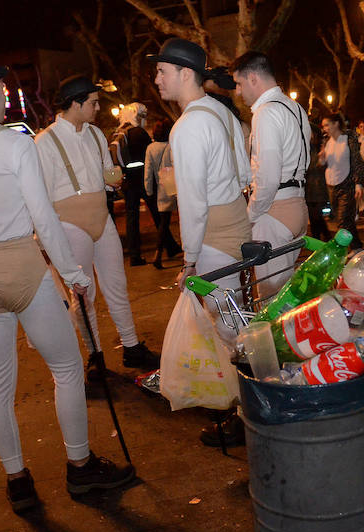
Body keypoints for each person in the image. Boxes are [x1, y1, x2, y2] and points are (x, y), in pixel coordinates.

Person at [0, 53, 133, 513]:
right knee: (68, 368)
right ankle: (80, 468)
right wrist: (73, 275)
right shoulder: (13, 143)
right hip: (21, 263)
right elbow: (45, 221)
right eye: (2, 90)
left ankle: (17, 480)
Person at [149, 38, 252, 448]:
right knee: (236, 322)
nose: (156, 79)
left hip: (212, 236)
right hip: (235, 224)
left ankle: (249, 414)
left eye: (162, 71)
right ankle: (247, 408)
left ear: (185, 74)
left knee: (233, 331)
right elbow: (244, 173)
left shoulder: (189, 124)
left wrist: (189, 261)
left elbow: (191, 204)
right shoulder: (220, 111)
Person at [35, 75, 160, 377]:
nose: (98, 108)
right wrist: (43, 237)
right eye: (93, 102)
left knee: (117, 285)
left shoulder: (95, 134)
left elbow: (106, 172)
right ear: (76, 103)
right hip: (69, 223)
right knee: (83, 293)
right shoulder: (44, 141)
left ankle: (131, 347)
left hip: (101, 216)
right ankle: (95, 356)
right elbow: (39, 194)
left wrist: (112, 179)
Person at [229, 50, 310, 298]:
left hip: (275, 211)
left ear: (253, 77)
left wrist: (250, 215)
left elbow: (268, 176)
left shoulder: (266, 112)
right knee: (287, 296)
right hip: (297, 206)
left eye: (239, 84)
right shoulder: (295, 108)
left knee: (271, 300)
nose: (238, 92)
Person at [111, 102, 171, 266]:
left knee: (132, 218)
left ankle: (134, 256)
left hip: (128, 182)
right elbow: (149, 156)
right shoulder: (139, 132)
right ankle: (170, 246)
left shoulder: (118, 133)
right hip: (143, 180)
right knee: (160, 213)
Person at [319, 113, 364, 249]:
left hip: (347, 184)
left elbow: (357, 161)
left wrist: (358, 183)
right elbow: (326, 163)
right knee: (346, 221)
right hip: (331, 185)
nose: (325, 129)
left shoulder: (348, 139)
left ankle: (341, 249)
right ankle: (357, 247)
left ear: (336, 124)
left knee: (343, 220)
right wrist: (322, 159)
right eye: (323, 126)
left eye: (327, 125)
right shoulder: (327, 142)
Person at [143, 118, 179, 269]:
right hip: (176, 184)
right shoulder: (173, 145)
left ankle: (158, 254)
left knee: (163, 222)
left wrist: (148, 189)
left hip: (162, 186)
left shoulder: (151, 148)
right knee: (184, 218)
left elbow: (148, 170)